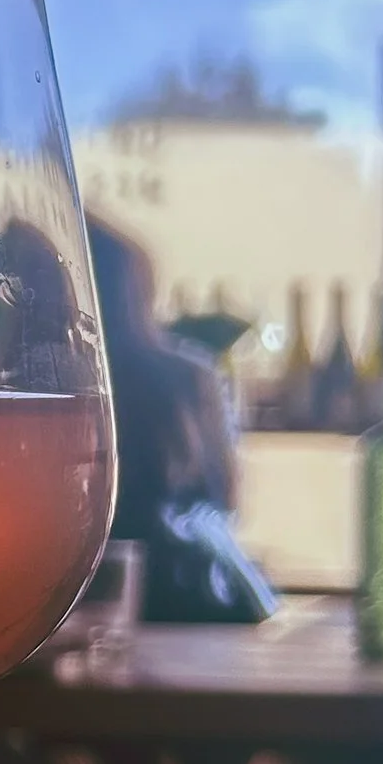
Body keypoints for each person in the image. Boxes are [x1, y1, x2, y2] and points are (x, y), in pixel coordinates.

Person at [86, 218, 276, 623]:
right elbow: (227, 496)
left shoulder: (49, 384)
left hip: (84, 603)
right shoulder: (190, 373)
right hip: (191, 598)